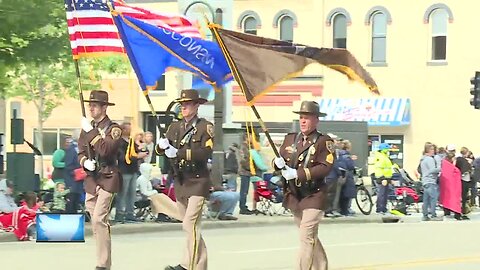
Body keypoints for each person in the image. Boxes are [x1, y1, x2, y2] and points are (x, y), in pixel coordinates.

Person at [155, 89, 213, 270]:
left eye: (187, 104)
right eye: (182, 104)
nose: (183, 107)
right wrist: (161, 146)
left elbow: (206, 152)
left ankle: (188, 266)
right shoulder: (175, 127)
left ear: (197, 106)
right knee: (191, 227)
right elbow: (159, 151)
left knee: (189, 224)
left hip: (198, 181)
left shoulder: (205, 127)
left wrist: (178, 153)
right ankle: (200, 265)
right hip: (180, 181)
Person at [273, 101, 334, 270]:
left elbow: (325, 168)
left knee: (306, 235)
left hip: (314, 194)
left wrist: (298, 174)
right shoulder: (290, 139)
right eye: (301, 117)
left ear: (316, 120)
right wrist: (277, 164)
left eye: (307, 118)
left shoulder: (323, 142)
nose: (303, 121)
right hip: (295, 195)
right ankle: (321, 266)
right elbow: (280, 161)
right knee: (308, 235)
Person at [78, 90, 123, 270]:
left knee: (98, 219)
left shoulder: (114, 129)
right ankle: (103, 260)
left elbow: (106, 150)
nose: (91, 108)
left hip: (109, 177)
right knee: (97, 223)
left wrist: (91, 132)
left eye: (95, 105)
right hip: (92, 179)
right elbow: (81, 151)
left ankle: (102, 264)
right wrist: (84, 162)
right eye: (90, 105)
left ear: (104, 107)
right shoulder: (87, 127)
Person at [420, 143, 442, 221]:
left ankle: (425, 215)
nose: (434, 151)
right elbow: (433, 170)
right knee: (433, 198)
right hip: (431, 181)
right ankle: (433, 215)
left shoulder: (423, 159)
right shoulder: (430, 159)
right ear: (428, 150)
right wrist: (440, 167)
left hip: (425, 181)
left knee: (426, 200)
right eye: (432, 149)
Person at [373, 143, 394, 214]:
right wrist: (382, 178)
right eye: (387, 149)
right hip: (382, 178)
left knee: (385, 194)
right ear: (383, 149)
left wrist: (390, 179)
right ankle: (379, 209)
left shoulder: (385, 156)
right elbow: (378, 169)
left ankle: (384, 208)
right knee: (381, 194)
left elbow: (388, 168)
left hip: (386, 178)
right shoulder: (380, 157)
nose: (388, 150)